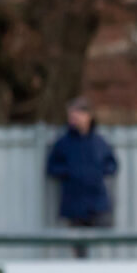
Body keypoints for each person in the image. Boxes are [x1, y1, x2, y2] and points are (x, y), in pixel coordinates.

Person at [46, 97, 118, 257]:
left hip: (97, 203)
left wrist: (97, 172)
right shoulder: (63, 143)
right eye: (71, 115)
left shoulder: (99, 142)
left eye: (77, 114)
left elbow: (112, 165)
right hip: (75, 205)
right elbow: (52, 168)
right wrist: (71, 172)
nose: (73, 119)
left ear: (88, 116)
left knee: (104, 240)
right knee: (79, 249)